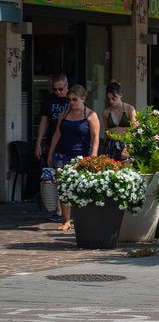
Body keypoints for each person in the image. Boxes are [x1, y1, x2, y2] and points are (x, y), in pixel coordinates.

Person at [47, 84, 101, 231]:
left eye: (75, 100)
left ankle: (85, 218)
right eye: (69, 100)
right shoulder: (64, 113)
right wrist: (51, 153)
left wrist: (93, 156)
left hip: (81, 156)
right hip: (62, 154)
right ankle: (66, 221)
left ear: (83, 98)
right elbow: (57, 134)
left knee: (82, 187)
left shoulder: (90, 115)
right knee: (63, 188)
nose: (71, 102)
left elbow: (95, 137)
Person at [35, 74, 70, 221]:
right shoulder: (49, 100)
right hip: (53, 142)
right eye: (54, 89)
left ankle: (69, 209)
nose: (58, 92)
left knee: (69, 175)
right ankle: (59, 210)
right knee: (56, 175)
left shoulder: (73, 100)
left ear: (67, 86)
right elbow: (43, 122)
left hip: (69, 142)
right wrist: (38, 143)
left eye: (60, 89)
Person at [101, 80, 136, 161]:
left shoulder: (129, 109)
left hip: (126, 143)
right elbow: (106, 131)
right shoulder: (106, 112)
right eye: (109, 99)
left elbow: (135, 130)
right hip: (111, 145)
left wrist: (128, 147)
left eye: (114, 98)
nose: (111, 101)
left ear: (120, 95)